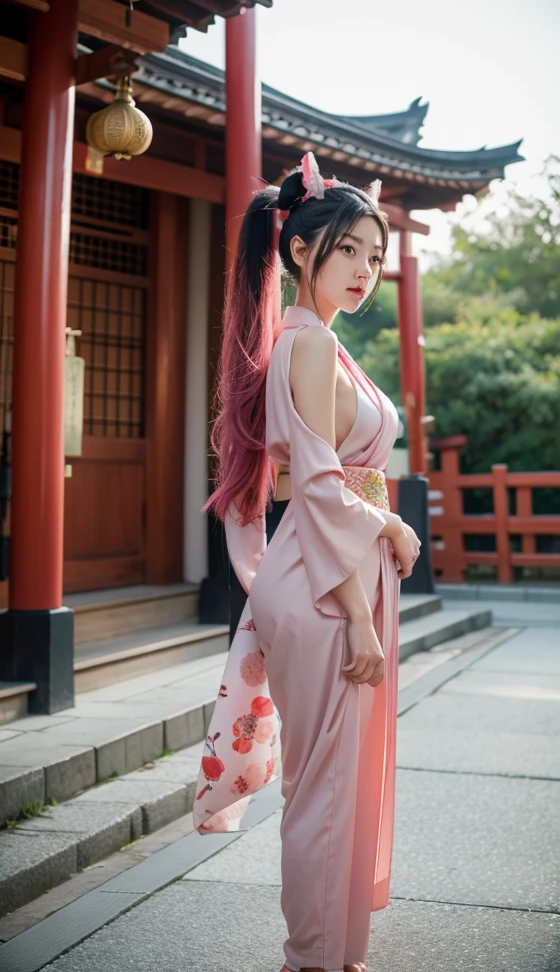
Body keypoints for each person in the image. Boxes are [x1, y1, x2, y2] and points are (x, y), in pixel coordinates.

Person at [193, 152, 421, 972]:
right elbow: (321, 487)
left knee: (333, 781)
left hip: (333, 573)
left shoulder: (315, 340)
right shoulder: (310, 345)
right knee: (324, 786)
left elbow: (324, 484)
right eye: (350, 250)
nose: (366, 270)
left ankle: (327, 952)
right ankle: (314, 959)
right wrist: (386, 546)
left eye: (375, 254)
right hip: (335, 587)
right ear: (299, 251)